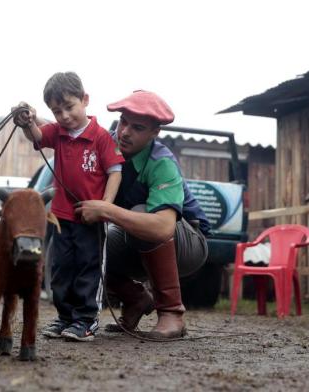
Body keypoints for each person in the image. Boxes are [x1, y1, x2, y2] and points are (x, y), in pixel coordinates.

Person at [75, 90, 210, 339]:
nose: (125, 132)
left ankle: (172, 313)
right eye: (123, 122)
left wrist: (105, 209)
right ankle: (135, 298)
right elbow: (71, 130)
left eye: (137, 127)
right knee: (84, 237)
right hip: (135, 239)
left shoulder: (162, 163)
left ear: (154, 133)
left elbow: (162, 228)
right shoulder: (106, 145)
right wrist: (32, 122)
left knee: (143, 214)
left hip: (188, 243)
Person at [13, 72, 125, 341]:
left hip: (91, 219)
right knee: (61, 268)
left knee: (89, 267)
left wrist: (105, 205)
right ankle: (65, 318)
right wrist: (26, 121)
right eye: (56, 110)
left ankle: (86, 320)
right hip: (61, 217)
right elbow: (36, 135)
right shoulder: (58, 133)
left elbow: (115, 171)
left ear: (85, 100)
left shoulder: (101, 137)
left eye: (69, 107)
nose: (63, 115)